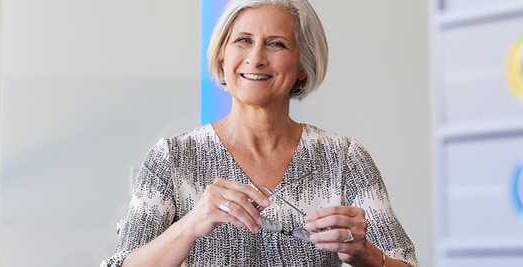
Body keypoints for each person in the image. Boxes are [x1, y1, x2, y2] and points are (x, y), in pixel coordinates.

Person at [104, 0, 419, 266]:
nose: (256, 58)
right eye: (243, 40)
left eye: (276, 43)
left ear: (303, 65)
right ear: (222, 56)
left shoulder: (344, 158)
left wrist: (367, 254)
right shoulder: (174, 157)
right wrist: (189, 225)